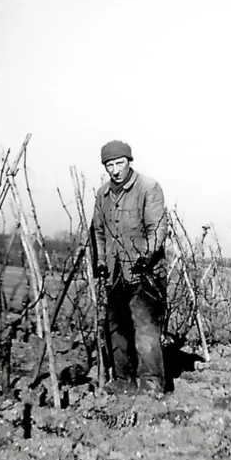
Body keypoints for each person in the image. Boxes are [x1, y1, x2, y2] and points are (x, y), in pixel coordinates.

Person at [90, 140, 170, 394]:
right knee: (116, 328)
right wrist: (101, 261)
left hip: (144, 273)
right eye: (110, 165)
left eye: (119, 163)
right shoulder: (102, 195)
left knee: (145, 329)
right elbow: (98, 233)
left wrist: (145, 256)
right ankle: (123, 379)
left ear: (129, 161)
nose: (115, 170)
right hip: (115, 274)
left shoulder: (148, 188)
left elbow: (157, 228)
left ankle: (151, 383)